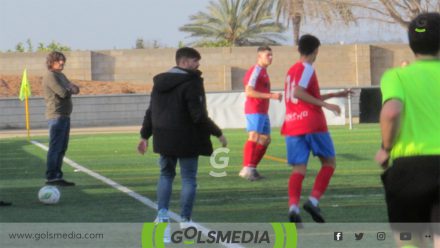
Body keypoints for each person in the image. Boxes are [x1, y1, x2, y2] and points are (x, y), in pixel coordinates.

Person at [137, 47, 227, 239]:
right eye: (196, 61)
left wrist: (145, 135)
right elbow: (198, 115)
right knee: (188, 178)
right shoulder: (191, 82)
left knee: (166, 175)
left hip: (164, 138)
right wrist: (217, 132)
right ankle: (185, 220)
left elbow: (150, 111)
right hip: (187, 138)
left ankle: (162, 216)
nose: (198, 65)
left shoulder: (159, 83)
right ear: (185, 62)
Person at [375, 12, 440, 248]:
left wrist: (385, 148)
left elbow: (391, 111)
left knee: (410, 241)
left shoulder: (396, 76)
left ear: (412, 44)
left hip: (409, 170)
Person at [281, 34, 352, 223]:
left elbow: (301, 93)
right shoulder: (307, 68)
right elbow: (299, 93)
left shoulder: (291, 70)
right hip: (311, 123)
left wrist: (335, 94)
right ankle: (313, 201)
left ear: (299, 49)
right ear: (315, 51)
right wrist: (326, 106)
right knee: (329, 163)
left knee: (298, 169)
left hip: (292, 124)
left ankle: (293, 207)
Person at [239, 46, 282, 181]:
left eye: (271, 55)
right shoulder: (256, 70)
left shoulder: (263, 71)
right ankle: (246, 168)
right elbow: (249, 92)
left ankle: (252, 168)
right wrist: (271, 96)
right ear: (259, 57)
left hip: (263, 110)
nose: (271, 57)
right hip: (255, 108)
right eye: (268, 55)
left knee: (265, 139)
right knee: (254, 136)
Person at [42, 51, 79, 186]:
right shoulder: (50, 76)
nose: (62, 63)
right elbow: (63, 93)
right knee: (56, 147)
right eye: (58, 61)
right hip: (56, 116)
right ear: (51, 63)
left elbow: (76, 89)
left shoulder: (61, 75)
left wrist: (71, 88)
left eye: (63, 60)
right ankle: (52, 176)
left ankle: (57, 175)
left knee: (62, 147)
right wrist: (70, 88)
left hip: (64, 116)